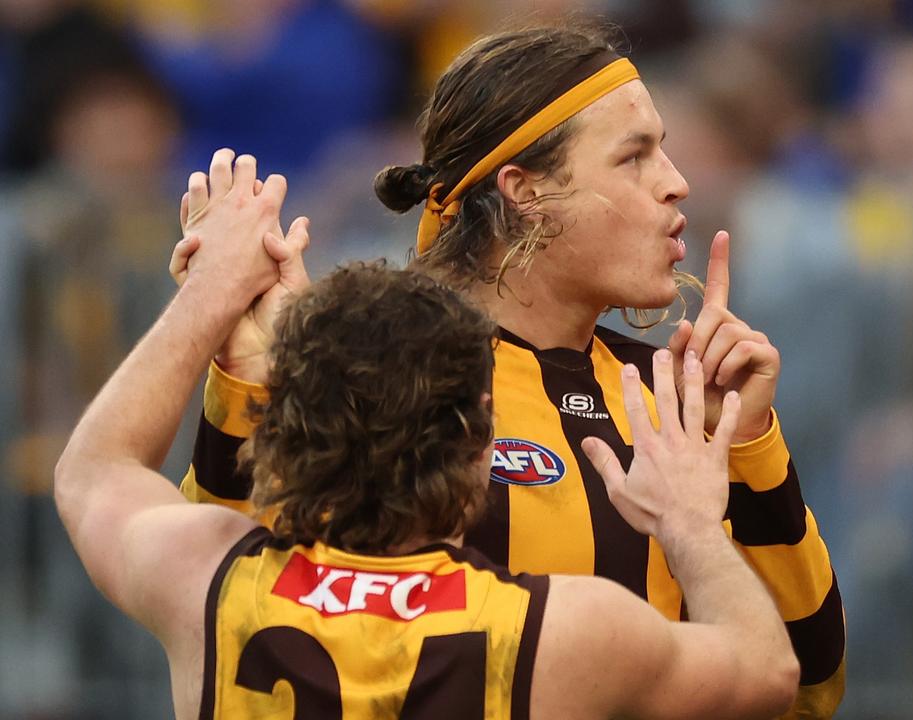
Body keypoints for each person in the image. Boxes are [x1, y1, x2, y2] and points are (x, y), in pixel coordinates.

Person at [174, 20, 846, 717]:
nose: (675, 184)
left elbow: (806, 689)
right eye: (634, 156)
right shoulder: (380, 377)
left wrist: (748, 442)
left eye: (666, 153)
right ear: (525, 190)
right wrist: (244, 378)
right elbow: (224, 608)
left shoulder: (678, 394)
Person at [55, 153, 800, 718]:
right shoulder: (564, 633)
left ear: (285, 430)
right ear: (481, 442)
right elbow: (772, 673)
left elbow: (92, 470)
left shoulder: (204, 580)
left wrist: (214, 293)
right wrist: (692, 524)